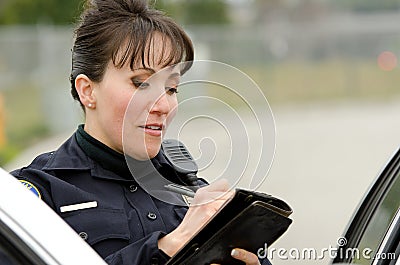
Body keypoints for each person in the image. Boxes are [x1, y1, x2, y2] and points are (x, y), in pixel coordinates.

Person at [11, 0, 269, 264]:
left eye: (171, 88)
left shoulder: (188, 187)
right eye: (141, 83)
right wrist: (172, 246)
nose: (164, 105)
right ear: (87, 90)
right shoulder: (31, 196)